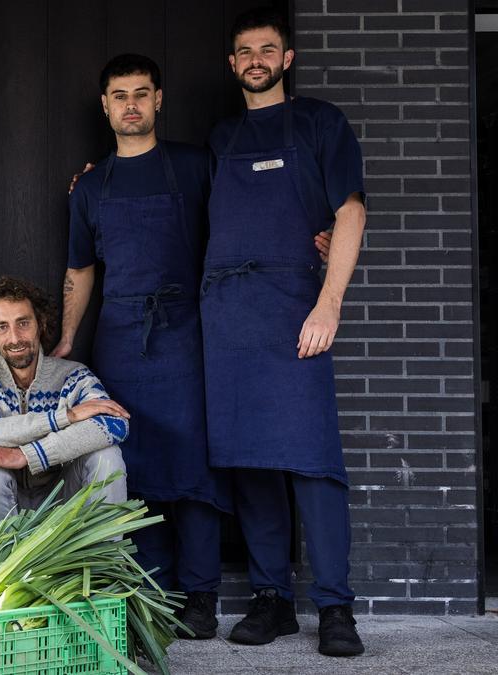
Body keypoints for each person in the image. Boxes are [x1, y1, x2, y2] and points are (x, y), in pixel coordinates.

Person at [203, 7, 366, 657]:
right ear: (233, 63)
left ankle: (335, 606)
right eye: (244, 51)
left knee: (313, 461)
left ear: (287, 58)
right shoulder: (221, 138)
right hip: (229, 315)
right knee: (251, 465)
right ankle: (272, 600)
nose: (255, 60)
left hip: (296, 308)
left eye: (267, 49)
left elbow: (350, 213)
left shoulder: (321, 123)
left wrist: (329, 305)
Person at [52, 54, 230, 640]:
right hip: (122, 340)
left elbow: (238, 225)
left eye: (141, 93)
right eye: (119, 95)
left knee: (194, 465)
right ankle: (153, 592)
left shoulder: (194, 165)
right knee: (135, 465)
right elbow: (80, 271)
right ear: (105, 106)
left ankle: (200, 597)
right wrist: (68, 341)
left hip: (188, 333)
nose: (131, 104)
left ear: (159, 100)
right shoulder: (91, 186)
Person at [0, 276, 129, 538]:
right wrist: (65, 417)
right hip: (7, 504)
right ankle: (6, 571)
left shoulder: (73, 375)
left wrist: (26, 455)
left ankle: (101, 571)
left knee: (108, 456)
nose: (14, 337)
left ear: (41, 323)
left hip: (65, 498)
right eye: (2, 327)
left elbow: (114, 425)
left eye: (23, 323)